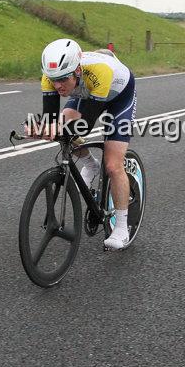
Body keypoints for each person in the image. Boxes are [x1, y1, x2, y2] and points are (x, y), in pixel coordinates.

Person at [28, 38, 138, 250]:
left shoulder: (101, 72)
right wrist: (41, 129)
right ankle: (90, 163)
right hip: (89, 92)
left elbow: (85, 125)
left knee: (114, 165)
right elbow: (51, 121)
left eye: (62, 79)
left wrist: (54, 128)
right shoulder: (50, 79)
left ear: (77, 70)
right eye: (53, 79)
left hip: (119, 97)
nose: (57, 85)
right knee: (62, 126)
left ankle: (122, 228)